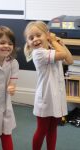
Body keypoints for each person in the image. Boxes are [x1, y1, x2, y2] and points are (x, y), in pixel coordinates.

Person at [24, 21, 73, 150]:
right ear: (28, 43)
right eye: (31, 38)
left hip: (56, 96)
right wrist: (54, 41)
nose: (35, 39)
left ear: (46, 34)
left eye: (38, 35)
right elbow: (63, 55)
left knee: (52, 129)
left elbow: (70, 60)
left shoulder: (51, 49)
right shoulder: (38, 53)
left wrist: (59, 43)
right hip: (45, 98)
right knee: (42, 130)